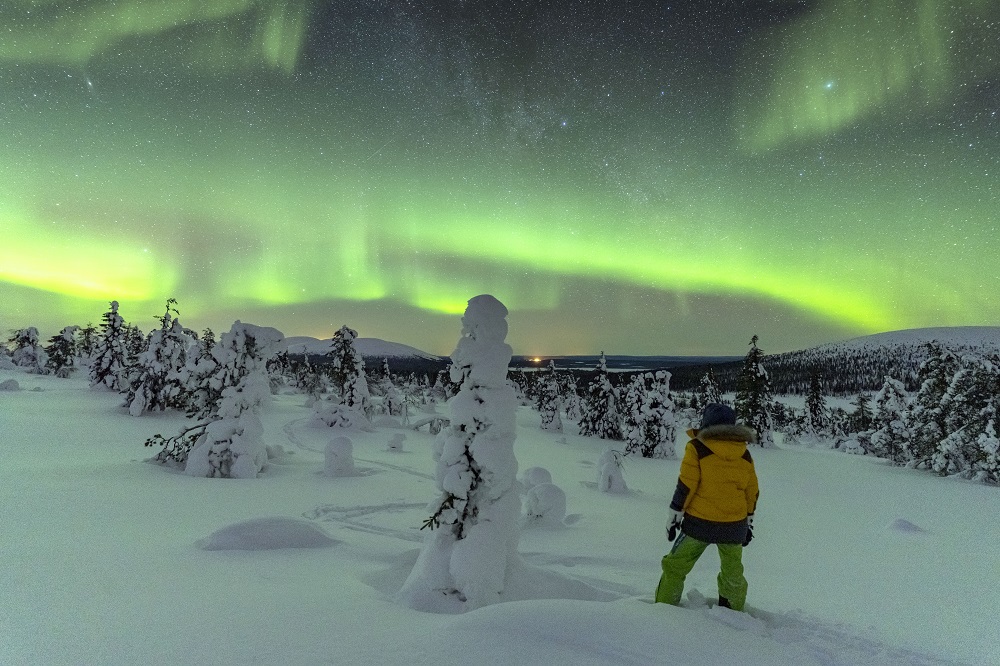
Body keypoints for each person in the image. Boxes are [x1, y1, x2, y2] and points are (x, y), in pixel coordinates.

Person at [655, 402, 759, 611]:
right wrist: (748, 521)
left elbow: (686, 484)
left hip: (699, 523)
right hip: (734, 524)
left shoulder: (697, 447)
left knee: (675, 566)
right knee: (733, 573)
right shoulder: (744, 453)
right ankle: (733, 613)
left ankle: (663, 609)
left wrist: (674, 515)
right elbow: (752, 490)